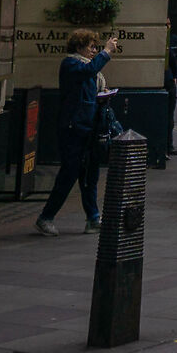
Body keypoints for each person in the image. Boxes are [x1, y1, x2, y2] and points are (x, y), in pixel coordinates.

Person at [36, 28, 115, 235]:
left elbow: (90, 88)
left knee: (90, 175)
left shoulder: (87, 67)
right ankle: (46, 217)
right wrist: (106, 52)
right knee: (69, 174)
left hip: (88, 128)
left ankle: (93, 218)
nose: (94, 50)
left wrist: (103, 95)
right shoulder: (71, 64)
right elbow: (87, 73)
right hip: (73, 128)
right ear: (79, 47)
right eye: (91, 47)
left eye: (96, 47)